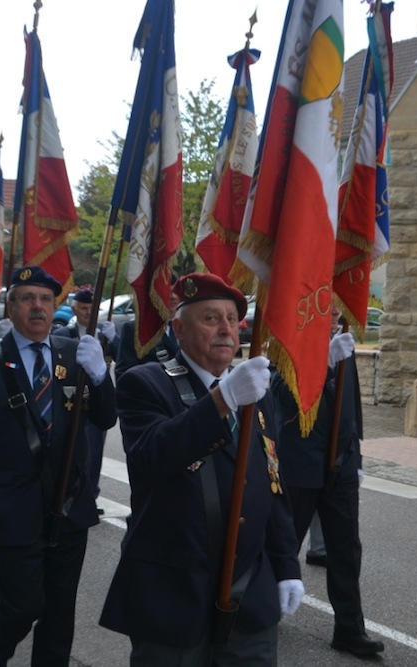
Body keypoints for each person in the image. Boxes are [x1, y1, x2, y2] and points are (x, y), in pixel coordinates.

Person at [100, 272, 303, 664]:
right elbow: (152, 456)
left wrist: (287, 566)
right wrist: (222, 400)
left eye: (232, 319)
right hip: (173, 592)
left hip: (249, 593)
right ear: (178, 327)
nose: (226, 329)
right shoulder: (146, 383)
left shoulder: (256, 391)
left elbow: (272, 484)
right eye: (211, 318)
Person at [0, 266, 116, 666]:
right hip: (12, 509)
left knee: (59, 616)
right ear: (10, 306)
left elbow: (105, 418)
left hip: (69, 506)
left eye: (45, 299)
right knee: (22, 606)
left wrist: (101, 375)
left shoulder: (75, 354)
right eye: (27, 298)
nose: (37, 307)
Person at [272, 306, 384, 657]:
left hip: (342, 467)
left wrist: (358, 459)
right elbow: (280, 397)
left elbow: (353, 410)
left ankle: (349, 629)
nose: (334, 316)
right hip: (300, 466)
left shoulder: (344, 346)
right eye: (327, 309)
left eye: (338, 310)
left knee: (346, 551)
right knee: (283, 545)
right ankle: (260, 612)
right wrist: (321, 362)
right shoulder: (288, 346)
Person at [58, 287, 117, 514]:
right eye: (83, 307)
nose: (88, 312)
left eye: (92, 308)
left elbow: (126, 357)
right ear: (75, 308)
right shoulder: (65, 333)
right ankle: (68, 493)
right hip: (70, 401)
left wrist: (116, 339)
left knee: (94, 451)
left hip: (96, 401)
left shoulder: (104, 334)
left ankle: (90, 495)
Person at [113, 285, 180, 384]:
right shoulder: (135, 330)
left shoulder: (193, 327)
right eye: (167, 292)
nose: (173, 296)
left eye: (176, 291)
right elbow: (124, 375)